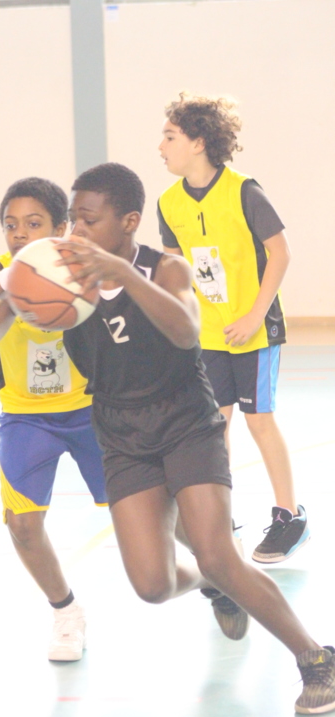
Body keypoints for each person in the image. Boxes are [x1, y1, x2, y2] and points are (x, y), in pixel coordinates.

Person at [57, 162, 334, 715]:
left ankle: (315, 657)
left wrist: (122, 273)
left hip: (184, 420)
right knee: (152, 585)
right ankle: (213, 586)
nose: (77, 230)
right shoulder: (64, 277)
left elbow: (187, 332)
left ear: (129, 222)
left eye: (89, 219)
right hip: (120, 429)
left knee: (217, 552)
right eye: (73, 219)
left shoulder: (168, 269)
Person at [157, 93, 309, 565]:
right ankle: (220, 516)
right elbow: (177, 271)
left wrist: (255, 315)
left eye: (169, 137)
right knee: (213, 426)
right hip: (209, 335)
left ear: (198, 142)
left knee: (259, 420)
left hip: (255, 330)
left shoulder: (244, 191)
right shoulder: (168, 203)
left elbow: (280, 253)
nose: (160, 147)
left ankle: (290, 517)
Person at [0, 177, 108, 662]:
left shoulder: (81, 265)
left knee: (151, 512)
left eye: (33, 224)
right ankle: (66, 611)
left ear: (60, 227)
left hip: (91, 410)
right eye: (11, 226)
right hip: (27, 418)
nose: (20, 234)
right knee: (23, 526)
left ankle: (217, 567)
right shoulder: (0, 270)